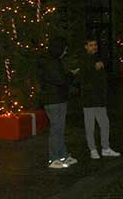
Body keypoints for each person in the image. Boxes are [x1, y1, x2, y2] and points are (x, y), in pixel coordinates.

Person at [38, 36, 78, 169]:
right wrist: (71, 75)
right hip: (53, 99)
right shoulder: (51, 62)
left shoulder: (54, 61)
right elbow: (60, 80)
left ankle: (63, 155)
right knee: (56, 129)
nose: (65, 52)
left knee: (59, 128)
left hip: (58, 98)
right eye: (64, 49)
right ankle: (53, 158)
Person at [78, 38, 121, 160]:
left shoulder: (98, 58)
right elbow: (84, 78)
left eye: (95, 45)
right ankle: (92, 149)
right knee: (90, 126)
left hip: (99, 99)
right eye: (91, 45)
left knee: (104, 124)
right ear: (86, 46)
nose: (94, 47)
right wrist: (93, 68)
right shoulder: (85, 60)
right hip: (89, 100)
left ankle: (105, 147)